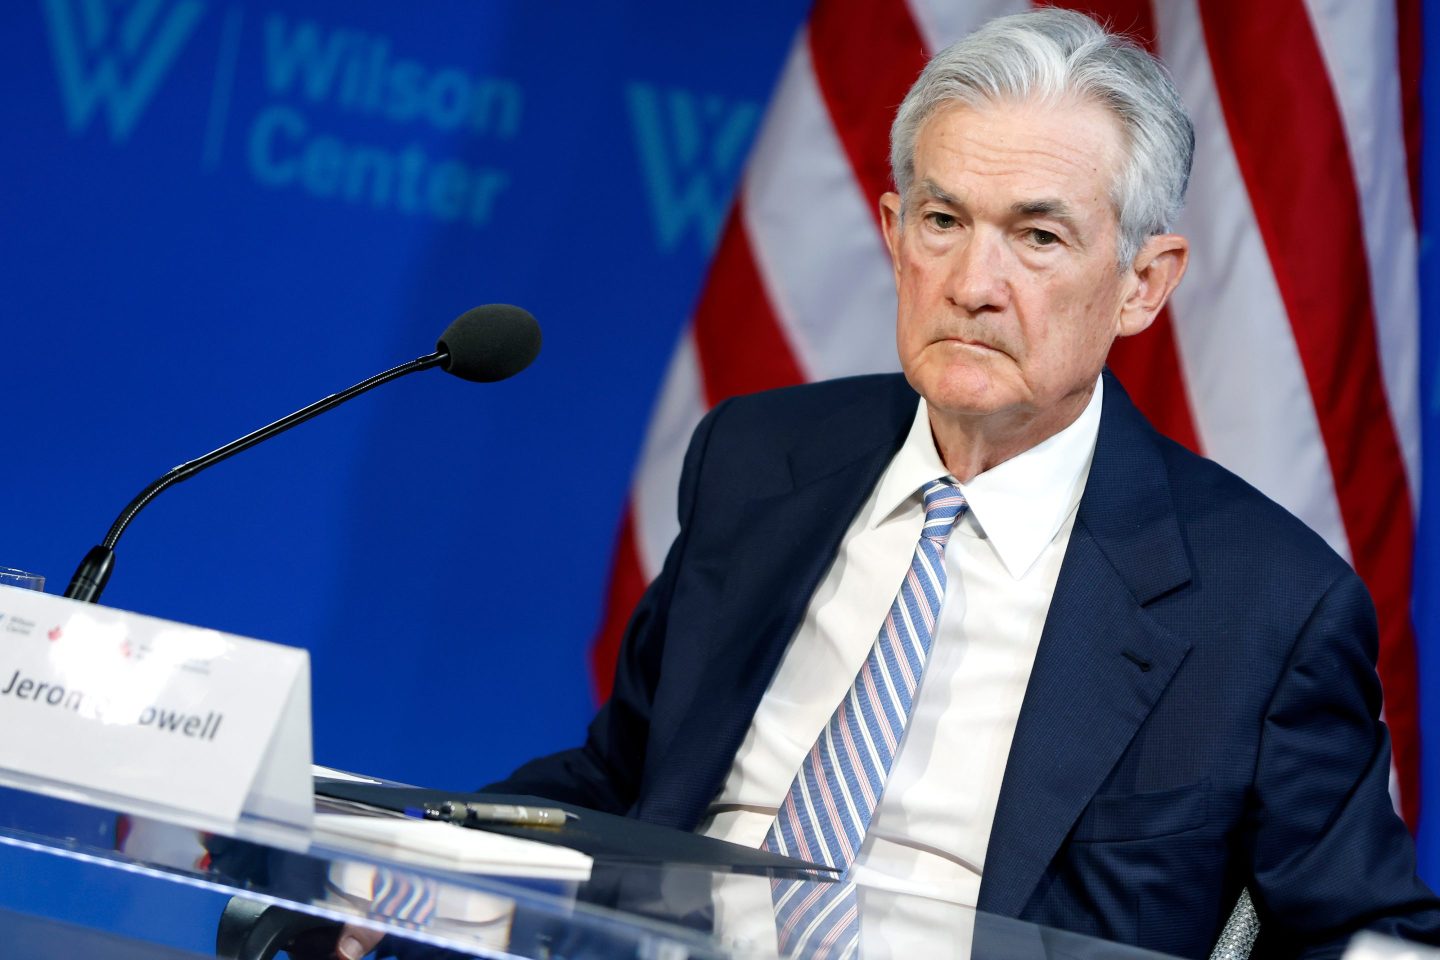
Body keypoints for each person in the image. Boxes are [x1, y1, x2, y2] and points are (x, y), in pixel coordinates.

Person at [340, 9, 1440, 958]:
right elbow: (624, 781)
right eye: (945, 221)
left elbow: (1360, 931)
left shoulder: (1265, 606)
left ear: (1144, 285)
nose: (975, 284)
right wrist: (415, 851)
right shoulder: (761, 461)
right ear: (893, 233)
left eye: (1039, 237)